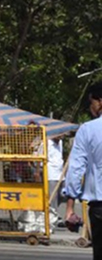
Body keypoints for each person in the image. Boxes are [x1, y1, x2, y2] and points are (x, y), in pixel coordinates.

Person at [63, 82, 102, 257]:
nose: (90, 107)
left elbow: (76, 169)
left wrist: (70, 209)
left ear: (100, 101)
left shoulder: (88, 130)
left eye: (91, 102)